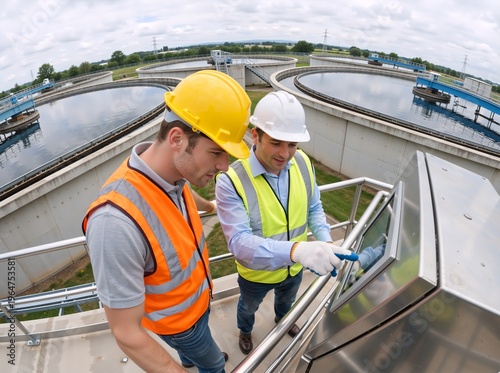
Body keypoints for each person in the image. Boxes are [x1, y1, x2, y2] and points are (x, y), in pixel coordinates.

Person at [82, 70, 251, 373]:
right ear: (177, 138)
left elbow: (181, 192)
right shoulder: (113, 223)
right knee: (212, 363)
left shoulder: (172, 170)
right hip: (179, 324)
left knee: (193, 353)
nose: (224, 167)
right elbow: (126, 333)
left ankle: (190, 357)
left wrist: (209, 205)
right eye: (216, 153)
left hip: (196, 306)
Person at [215, 90, 358, 355]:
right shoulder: (231, 180)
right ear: (255, 135)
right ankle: (245, 330)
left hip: (294, 270)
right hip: (256, 275)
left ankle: (283, 318)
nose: (285, 154)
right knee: (248, 308)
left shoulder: (302, 163)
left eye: (292, 145)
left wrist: (325, 242)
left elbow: (314, 207)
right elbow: (238, 242)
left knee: (287, 301)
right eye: (277, 143)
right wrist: (296, 251)